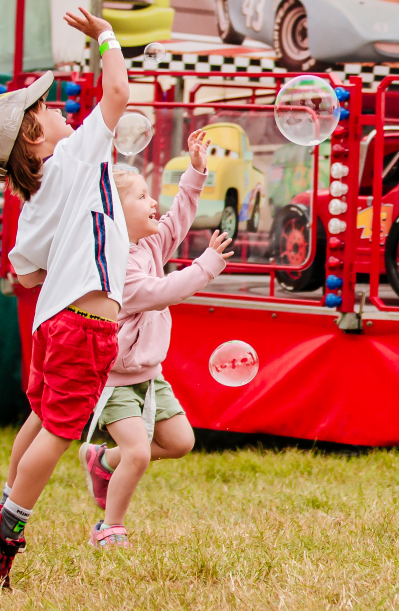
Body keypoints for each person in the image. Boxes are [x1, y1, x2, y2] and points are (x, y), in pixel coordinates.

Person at [0, 7, 131, 589]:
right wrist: (105, 36)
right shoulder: (75, 155)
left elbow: (24, 270)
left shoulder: (35, 199)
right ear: (36, 137)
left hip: (54, 324)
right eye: (47, 108)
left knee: (41, 420)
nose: (60, 109)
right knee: (62, 433)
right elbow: (118, 89)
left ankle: (2, 505)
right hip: (85, 325)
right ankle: (3, 530)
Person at [75, 127, 233, 549]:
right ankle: (110, 527)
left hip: (150, 375)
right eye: (142, 197)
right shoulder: (115, 263)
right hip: (116, 381)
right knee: (140, 453)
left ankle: (102, 460)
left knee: (180, 442)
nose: (153, 204)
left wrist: (196, 171)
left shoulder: (147, 245)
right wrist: (206, 267)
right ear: (113, 210)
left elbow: (178, 219)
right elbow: (161, 292)